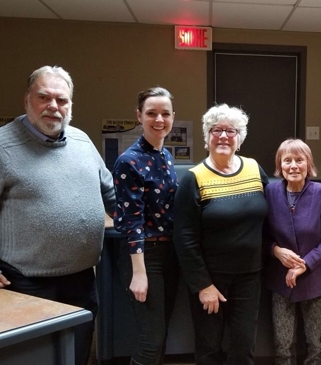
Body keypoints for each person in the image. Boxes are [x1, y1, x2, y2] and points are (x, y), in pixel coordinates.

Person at [0, 65, 115, 365]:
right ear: (27, 100)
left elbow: (110, 193)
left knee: (75, 355)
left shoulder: (82, 141)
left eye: (62, 100)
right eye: (44, 97)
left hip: (82, 279)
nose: (53, 106)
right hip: (23, 283)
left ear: (70, 105)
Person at [173, 104, 269, 365]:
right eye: (217, 130)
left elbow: (269, 219)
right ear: (207, 137)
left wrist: (275, 249)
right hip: (211, 279)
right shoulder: (193, 178)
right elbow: (184, 238)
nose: (224, 136)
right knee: (209, 347)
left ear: (240, 139)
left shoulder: (254, 169)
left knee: (244, 346)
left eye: (231, 131)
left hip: (250, 276)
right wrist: (203, 285)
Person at [113, 87, 180, 365]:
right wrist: (139, 273)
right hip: (144, 258)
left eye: (165, 113)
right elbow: (132, 221)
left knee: (161, 336)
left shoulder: (165, 156)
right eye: (151, 113)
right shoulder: (129, 161)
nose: (159, 119)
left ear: (173, 117)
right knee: (150, 343)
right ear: (139, 116)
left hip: (168, 255)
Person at [264, 139, 321, 365]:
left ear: (309, 164)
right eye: (287, 160)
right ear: (280, 165)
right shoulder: (270, 191)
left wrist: (304, 264)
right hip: (280, 278)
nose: (294, 166)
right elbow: (261, 234)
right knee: (282, 343)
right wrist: (275, 250)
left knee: (314, 343)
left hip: (314, 277)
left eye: (299, 160)